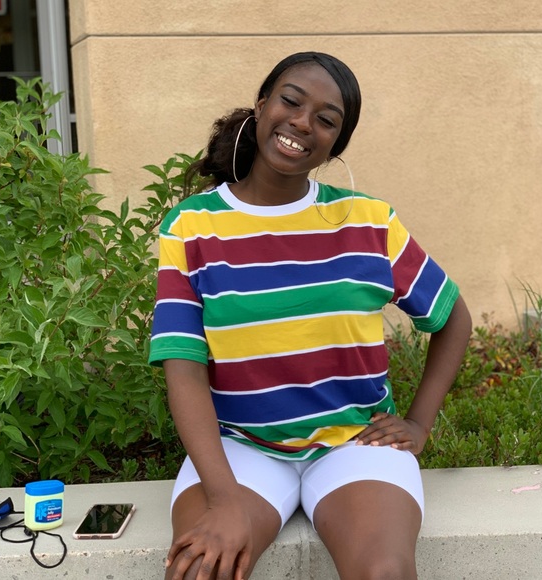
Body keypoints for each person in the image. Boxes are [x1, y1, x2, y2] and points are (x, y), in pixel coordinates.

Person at [149, 51, 472, 580]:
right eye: (291, 102)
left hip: (355, 443)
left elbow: (453, 317)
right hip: (241, 447)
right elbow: (182, 365)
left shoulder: (369, 222)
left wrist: (418, 424)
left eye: (326, 119)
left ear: (336, 144)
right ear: (261, 106)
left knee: (385, 573)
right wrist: (225, 499)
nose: (302, 123)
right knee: (198, 569)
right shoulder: (191, 226)